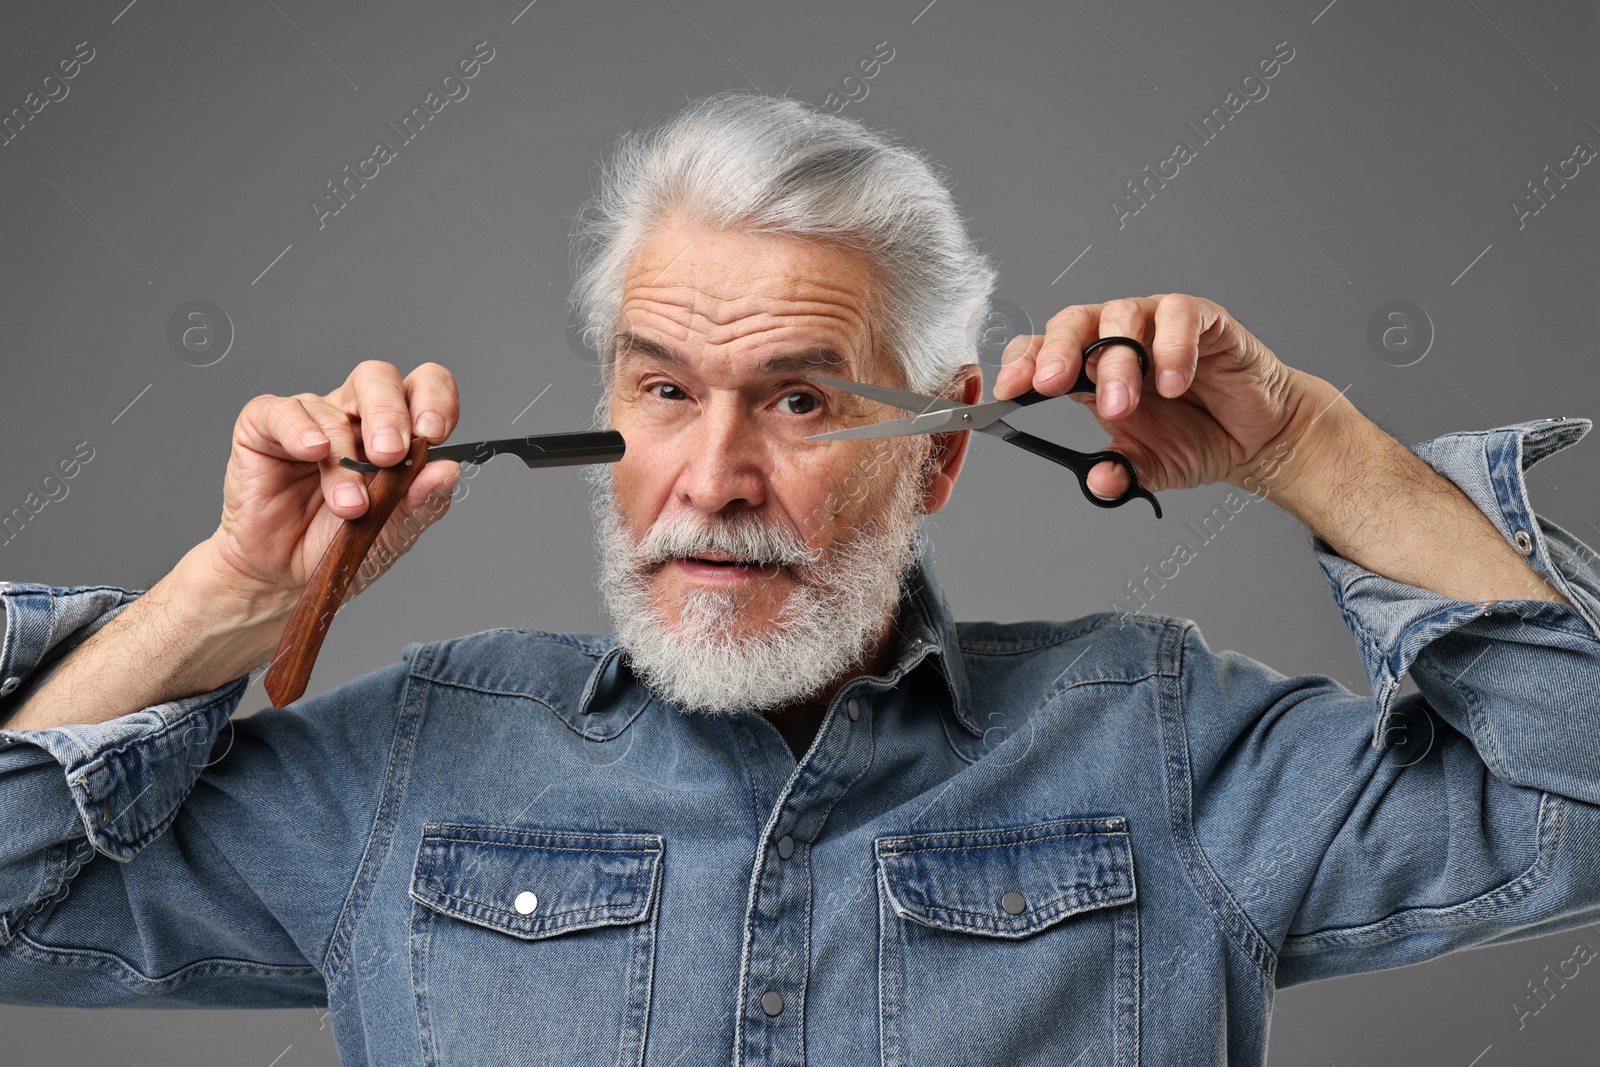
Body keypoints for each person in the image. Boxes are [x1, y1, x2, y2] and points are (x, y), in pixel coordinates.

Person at [2, 91, 1598, 1067]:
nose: (711, 481)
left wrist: (1311, 446)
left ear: (942, 454)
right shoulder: (415, 767)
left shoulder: (1158, 746)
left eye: (803, 400)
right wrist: (231, 591)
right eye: (664, 391)